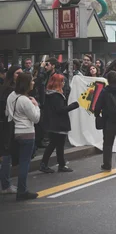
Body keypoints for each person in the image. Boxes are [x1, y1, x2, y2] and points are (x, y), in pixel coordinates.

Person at [6, 72, 40, 200]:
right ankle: (22, 191)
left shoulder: (11, 96)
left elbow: (7, 113)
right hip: (26, 133)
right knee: (24, 163)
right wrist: (36, 106)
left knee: (14, 161)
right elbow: (36, 118)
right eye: (31, 80)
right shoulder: (26, 100)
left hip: (14, 132)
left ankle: (11, 186)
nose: (33, 82)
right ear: (26, 83)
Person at [39, 74, 79, 174]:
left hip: (53, 123)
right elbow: (60, 110)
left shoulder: (49, 94)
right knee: (56, 145)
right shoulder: (56, 96)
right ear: (58, 83)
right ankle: (52, 164)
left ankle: (59, 164)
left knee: (55, 144)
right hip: (59, 123)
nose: (63, 83)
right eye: (62, 81)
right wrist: (74, 105)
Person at [0, 65, 22, 195]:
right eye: (17, 73)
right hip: (7, 125)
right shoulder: (10, 90)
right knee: (6, 153)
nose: (20, 75)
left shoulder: (8, 88)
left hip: (7, 124)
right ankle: (6, 184)